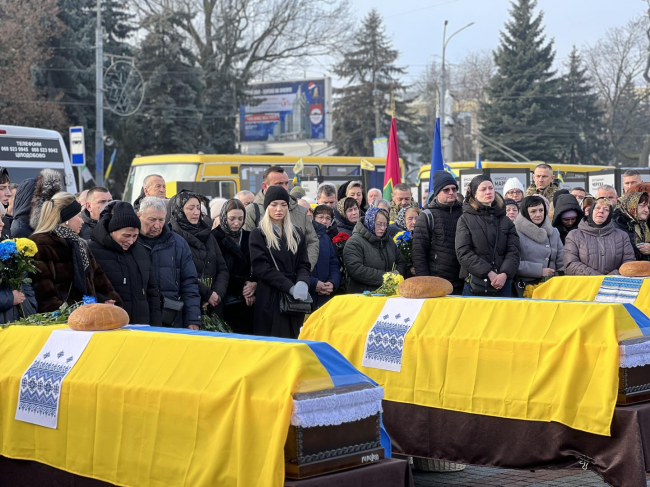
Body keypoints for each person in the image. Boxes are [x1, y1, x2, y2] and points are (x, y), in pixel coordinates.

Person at [31, 192, 121, 312]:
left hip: (87, 315)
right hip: (60, 322)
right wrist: (73, 312)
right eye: (79, 216)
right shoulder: (40, 243)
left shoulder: (79, 243)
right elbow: (44, 294)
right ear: (66, 218)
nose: (82, 221)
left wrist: (107, 300)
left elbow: (98, 278)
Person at [249, 186, 311, 338]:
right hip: (270, 297)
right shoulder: (259, 234)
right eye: (274, 204)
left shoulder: (296, 233)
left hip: (294, 300)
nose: (279, 209)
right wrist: (289, 287)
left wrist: (303, 282)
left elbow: (304, 263)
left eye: (283, 205)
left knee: (294, 339)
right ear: (267, 206)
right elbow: (261, 268)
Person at [89, 202, 162, 325]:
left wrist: (156, 325)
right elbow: (85, 288)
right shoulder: (92, 250)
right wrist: (102, 300)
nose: (131, 241)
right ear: (113, 231)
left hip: (142, 326)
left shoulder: (141, 251)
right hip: (110, 324)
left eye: (135, 236)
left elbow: (152, 291)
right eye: (126, 235)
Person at [137, 197, 201, 328]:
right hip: (139, 318)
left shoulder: (178, 243)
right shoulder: (130, 242)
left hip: (171, 318)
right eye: (152, 219)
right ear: (139, 216)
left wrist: (193, 318)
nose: (157, 225)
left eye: (161, 220)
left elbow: (189, 283)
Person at [456, 175, 520, 297]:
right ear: (474, 194)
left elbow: (514, 250)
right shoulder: (465, 219)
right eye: (483, 189)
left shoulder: (505, 220)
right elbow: (463, 252)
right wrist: (489, 273)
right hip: (476, 284)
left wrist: (504, 274)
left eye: (491, 188)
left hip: (503, 283)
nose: (488, 192)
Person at [168, 191, 229, 318]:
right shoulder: (171, 237)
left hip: (213, 307)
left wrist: (217, 294)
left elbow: (222, 268)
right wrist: (207, 294)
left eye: (198, 207)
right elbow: (179, 273)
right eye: (190, 208)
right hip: (187, 306)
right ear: (179, 210)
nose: (196, 212)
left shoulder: (208, 234)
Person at [244, 166, 318, 269]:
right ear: (265, 186)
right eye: (279, 184)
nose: (284, 187)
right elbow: (248, 249)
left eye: (286, 183)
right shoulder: (252, 211)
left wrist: (305, 271)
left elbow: (312, 242)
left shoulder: (300, 211)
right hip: (266, 278)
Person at [413, 170, 464, 295]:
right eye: (446, 190)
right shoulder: (427, 216)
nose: (451, 192)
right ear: (436, 193)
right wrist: (426, 282)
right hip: (436, 282)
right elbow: (419, 253)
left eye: (454, 189)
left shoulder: (465, 212)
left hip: (463, 281)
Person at [213, 199, 256, 334]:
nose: (236, 223)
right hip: (226, 300)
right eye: (232, 218)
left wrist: (253, 284)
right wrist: (242, 286)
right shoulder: (214, 237)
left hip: (249, 302)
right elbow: (218, 270)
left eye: (240, 218)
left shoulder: (250, 237)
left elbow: (257, 264)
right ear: (224, 217)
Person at [564, 198, 635, 275]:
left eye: (606, 209)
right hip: (585, 284)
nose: (601, 211)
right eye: (597, 208)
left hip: (613, 284)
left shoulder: (622, 236)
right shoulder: (574, 235)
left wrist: (611, 277)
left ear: (610, 214)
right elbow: (570, 264)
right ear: (591, 211)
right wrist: (596, 277)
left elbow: (629, 263)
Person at [343, 206, 406, 294]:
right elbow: (356, 269)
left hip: (389, 293)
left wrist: (396, 274)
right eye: (379, 224)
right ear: (370, 222)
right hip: (364, 295)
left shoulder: (388, 241)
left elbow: (401, 262)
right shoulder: (354, 242)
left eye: (385, 224)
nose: (383, 228)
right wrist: (386, 277)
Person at [513, 196, 564, 297]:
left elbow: (561, 259)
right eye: (533, 211)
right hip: (526, 287)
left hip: (552, 286)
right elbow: (514, 263)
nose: (538, 214)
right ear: (525, 212)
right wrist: (539, 271)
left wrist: (561, 277)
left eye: (541, 210)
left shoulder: (554, 232)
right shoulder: (515, 233)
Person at [309, 205, 341, 310]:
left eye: (328, 218)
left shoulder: (325, 238)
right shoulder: (304, 236)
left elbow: (334, 263)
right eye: (321, 217)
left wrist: (333, 282)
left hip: (325, 295)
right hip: (308, 296)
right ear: (313, 218)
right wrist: (314, 284)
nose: (324, 221)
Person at [613, 191, 650, 261]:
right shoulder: (617, 224)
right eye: (643, 205)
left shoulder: (643, 224)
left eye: (648, 207)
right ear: (632, 205)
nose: (647, 210)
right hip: (624, 269)